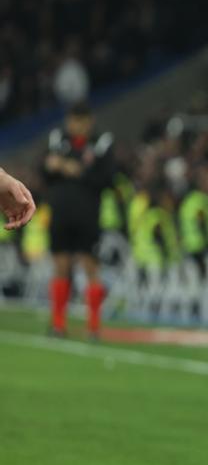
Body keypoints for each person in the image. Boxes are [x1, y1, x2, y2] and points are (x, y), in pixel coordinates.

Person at [42, 103, 114, 338]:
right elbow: (44, 170)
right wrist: (59, 167)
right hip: (61, 212)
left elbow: (107, 178)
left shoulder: (102, 143)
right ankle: (58, 324)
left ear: (89, 121)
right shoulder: (57, 139)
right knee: (61, 265)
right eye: (72, 120)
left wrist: (76, 170)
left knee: (90, 265)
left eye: (80, 121)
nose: (75, 126)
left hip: (87, 214)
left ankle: (94, 326)